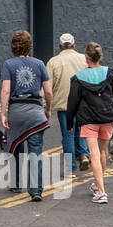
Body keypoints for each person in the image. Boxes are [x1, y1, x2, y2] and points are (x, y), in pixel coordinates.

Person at [66, 41, 113, 204]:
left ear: (86, 57)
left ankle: (101, 191)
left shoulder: (78, 79)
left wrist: (69, 123)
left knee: (94, 154)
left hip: (89, 119)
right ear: (100, 56)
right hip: (108, 118)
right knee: (102, 152)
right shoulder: (110, 73)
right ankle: (97, 185)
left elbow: (72, 103)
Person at [0, 29, 52, 201]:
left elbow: (6, 90)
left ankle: (15, 184)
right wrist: (48, 108)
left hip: (16, 112)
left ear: (13, 46)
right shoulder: (39, 64)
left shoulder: (8, 64)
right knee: (35, 152)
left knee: (15, 145)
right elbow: (48, 92)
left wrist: (3, 113)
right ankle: (36, 191)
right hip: (36, 112)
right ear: (29, 46)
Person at [46, 33, 89, 176]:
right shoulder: (83, 59)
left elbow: (47, 87)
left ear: (59, 46)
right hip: (82, 103)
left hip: (64, 105)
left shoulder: (53, 62)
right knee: (81, 131)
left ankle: (70, 168)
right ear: (74, 45)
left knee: (68, 135)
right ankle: (83, 155)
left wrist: (46, 106)